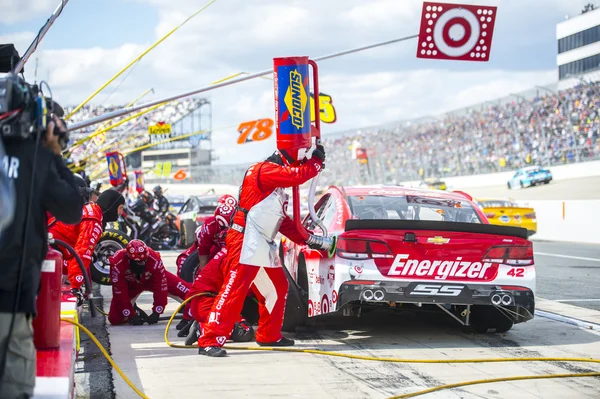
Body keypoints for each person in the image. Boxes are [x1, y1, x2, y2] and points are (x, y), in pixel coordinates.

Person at [196, 144, 329, 357]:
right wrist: (315, 163)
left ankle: (269, 334)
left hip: (260, 242)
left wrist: (308, 239)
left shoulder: (273, 188)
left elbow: (283, 222)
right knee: (234, 290)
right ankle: (209, 340)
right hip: (244, 239)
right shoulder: (262, 170)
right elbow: (296, 176)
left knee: (277, 286)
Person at [0, 104, 84, 398]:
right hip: (10, 298)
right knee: (14, 383)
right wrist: (53, 153)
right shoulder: (35, 158)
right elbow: (73, 207)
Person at [48, 184, 126, 305]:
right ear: (111, 206)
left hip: (52, 243)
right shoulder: (93, 220)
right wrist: (76, 286)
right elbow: (82, 253)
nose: (121, 212)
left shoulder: (92, 209)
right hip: (51, 248)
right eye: (120, 208)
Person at [107, 239, 192, 326]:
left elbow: (160, 286)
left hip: (152, 279)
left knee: (191, 293)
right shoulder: (117, 263)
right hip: (132, 285)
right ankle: (133, 307)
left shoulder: (154, 258)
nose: (143, 263)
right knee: (114, 318)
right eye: (139, 262)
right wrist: (130, 314)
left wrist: (157, 310)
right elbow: (119, 291)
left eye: (145, 260)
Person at [183, 247, 254, 345]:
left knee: (245, 319)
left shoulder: (230, 250)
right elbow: (232, 289)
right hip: (207, 303)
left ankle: (203, 323)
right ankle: (202, 329)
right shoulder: (234, 258)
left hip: (202, 303)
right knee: (245, 331)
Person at [175, 194, 238, 278]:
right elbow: (203, 250)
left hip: (229, 251)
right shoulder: (209, 225)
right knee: (182, 260)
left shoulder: (241, 222)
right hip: (208, 248)